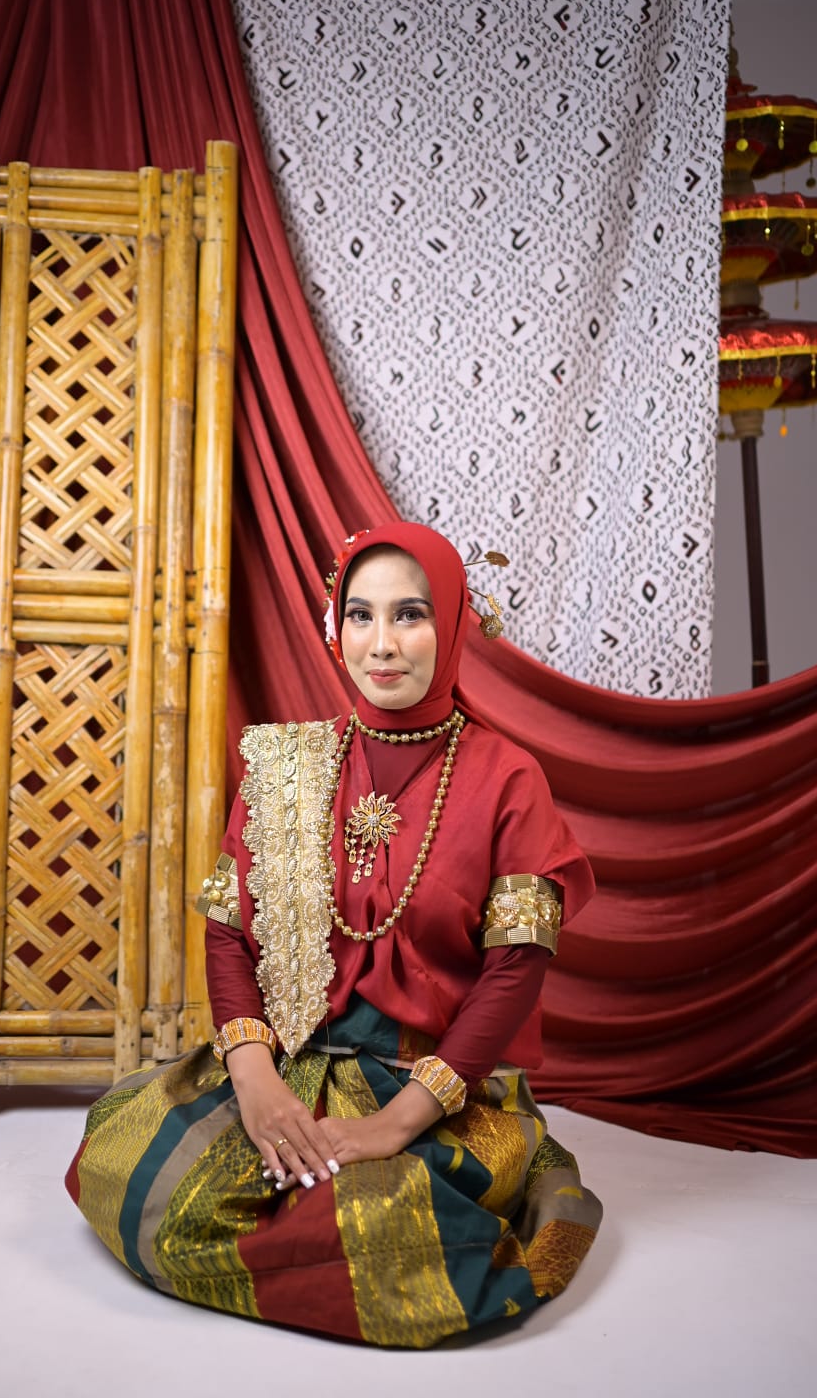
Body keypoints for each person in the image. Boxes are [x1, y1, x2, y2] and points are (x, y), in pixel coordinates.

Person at [66, 522, 602, 1347]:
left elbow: (513, 973)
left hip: (432, 1086)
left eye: (410, 614)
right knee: (125, 1165)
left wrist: (392, 1126)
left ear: (453, 622)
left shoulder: (507, 780)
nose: (381, 644)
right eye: (361, 615)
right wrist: (255, 1083)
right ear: (335, 626)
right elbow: (227, 934)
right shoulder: (288, 767)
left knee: (397, 1233)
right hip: (292, 1060)